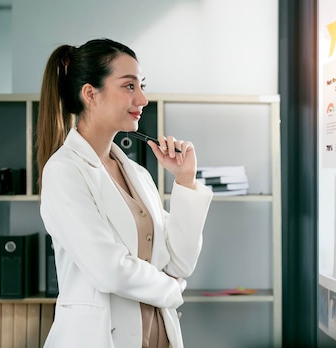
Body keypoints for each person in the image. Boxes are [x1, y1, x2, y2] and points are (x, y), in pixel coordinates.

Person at [36, 38, 213, 348]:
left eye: (141, 85)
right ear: (90, 93)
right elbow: (109, 270)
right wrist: (172, 290)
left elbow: (179, 263)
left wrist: (184, 180)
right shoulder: (64, 171)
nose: (143, 98)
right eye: (130, 86)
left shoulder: (139, 175)